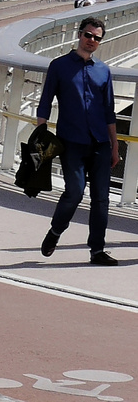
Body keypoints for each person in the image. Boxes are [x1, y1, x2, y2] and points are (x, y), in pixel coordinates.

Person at [36, 16, 122, 265]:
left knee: (101, 198)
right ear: (79, 34)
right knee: (74, 192)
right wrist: (41, 133)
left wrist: (115, 146)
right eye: (88, 35)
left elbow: (109, 111)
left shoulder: (103, 71)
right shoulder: (59, 66)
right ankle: (55, 231)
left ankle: (97, 250)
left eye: (97, 38)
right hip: (71, 142)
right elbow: (45, 101)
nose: (91, 40)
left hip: (100, 144)